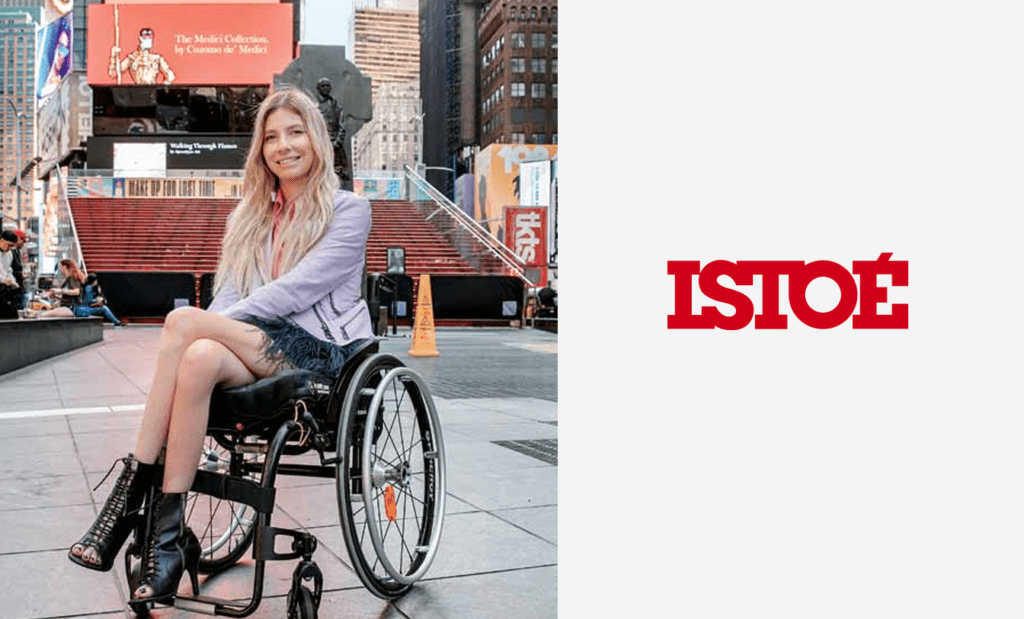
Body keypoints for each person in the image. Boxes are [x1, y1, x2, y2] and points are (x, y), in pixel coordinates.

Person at [68, 87, 373, 609]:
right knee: (198, 357)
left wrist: (206, 322)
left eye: (295, 132)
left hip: (320, 351)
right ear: (260, 151)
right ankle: (167, 543)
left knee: (185, 323)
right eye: (271, 137)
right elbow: (230, 290)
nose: (284, 146)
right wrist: (210, 327)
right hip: (258, 342)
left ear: (317, 140)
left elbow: (297, 290)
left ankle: (126, 501)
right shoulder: (249, 217)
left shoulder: (350, 210)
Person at [109, 27, 175, 85]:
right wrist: (114, 56)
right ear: (140, 38)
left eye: (150, 37)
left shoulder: (157, 59)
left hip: (152, 92)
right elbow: (113, 74)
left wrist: (161, 90)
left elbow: (171, 76)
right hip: (137, 92)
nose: (149, 40)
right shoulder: (132, 58)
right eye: (146, 37)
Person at [315, 77, 350, 182]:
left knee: (338, 174)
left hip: (334, 144)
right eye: (323, 86)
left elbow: (342, 124)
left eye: (327, 86)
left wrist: (338, 141)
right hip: (318, 143)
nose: (325, 88)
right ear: (318, 88)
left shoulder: (335, 104)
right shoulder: (312, 105)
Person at [0, 231, 20, 319]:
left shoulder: (9, 254)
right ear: (2, 240)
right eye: (8, 245)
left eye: (12, 246)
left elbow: (8, 270)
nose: (9, 248)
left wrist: (13, 281)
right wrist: (2, 279)